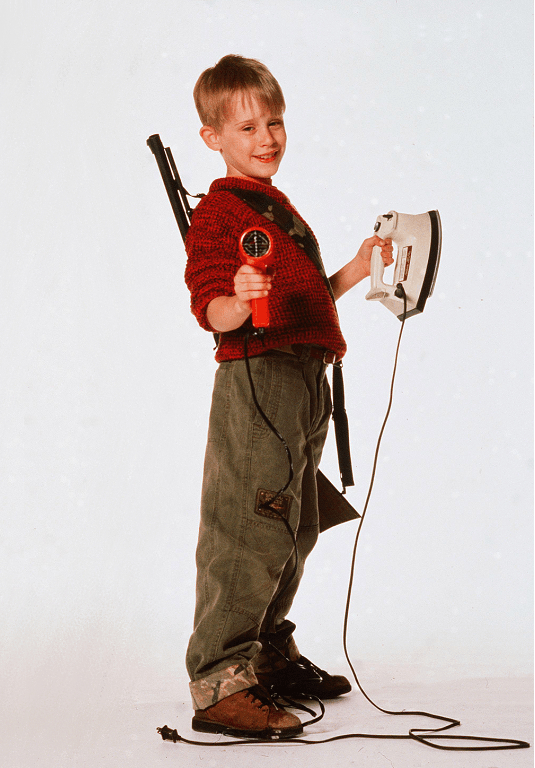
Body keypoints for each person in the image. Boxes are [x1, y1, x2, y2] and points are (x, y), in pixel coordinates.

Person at [182, 54, 394, 739]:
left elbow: (303, 302)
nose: (266, 136)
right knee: (248, 527)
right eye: (247, 126)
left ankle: (267, 653)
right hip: (259, 379)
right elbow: (210, 307)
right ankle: (220, 681)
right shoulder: (220, 213)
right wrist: (236, 302)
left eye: (273, 121)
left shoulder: (271, 205)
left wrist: (357, 270)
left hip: (303, 380)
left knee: (293, 523)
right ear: (213, 136)